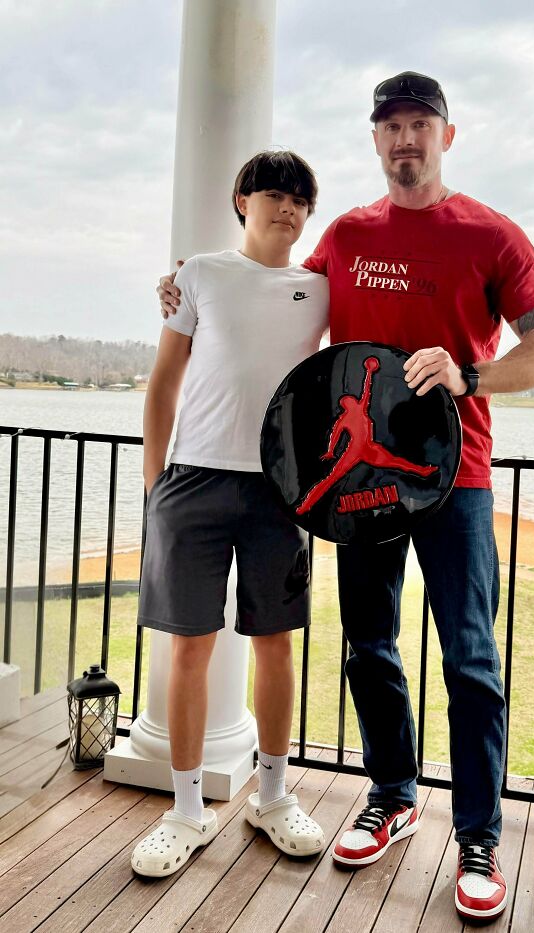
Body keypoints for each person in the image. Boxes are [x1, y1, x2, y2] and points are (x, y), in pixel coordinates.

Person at [158, 72, 534, 921]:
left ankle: (480, 836)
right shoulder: (343, 235)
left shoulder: (493, 235)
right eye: (391, 128)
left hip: (454, 482)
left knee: (469, 660)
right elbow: (267, 288)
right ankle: (392, 793)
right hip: (359, 487)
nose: (406, 140)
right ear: (374, 141)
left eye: (421, 125)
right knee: (370, 645)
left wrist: (472, 375)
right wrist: (182, 288)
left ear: (446, 137)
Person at [131, 150, 329, 878]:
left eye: (302, 198)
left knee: (275, 644)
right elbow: (162, 385)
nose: (289, 207)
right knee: (189, 646)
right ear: (242, 200)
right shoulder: (199, 275)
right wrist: (157, 490)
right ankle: (186, 810)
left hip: (282, 492)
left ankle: (272, 797)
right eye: (275, 193)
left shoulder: (322, 289)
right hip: (193, 484)